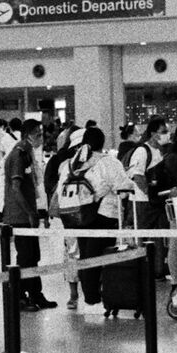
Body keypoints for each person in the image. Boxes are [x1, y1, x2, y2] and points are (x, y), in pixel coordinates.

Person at [54, 125, 134, 314]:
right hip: (104, 215)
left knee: (85, 255)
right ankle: (95, 297)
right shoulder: (109, 162)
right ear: (102, 142)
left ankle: (90, 295)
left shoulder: (71, 163)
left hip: (77, 215)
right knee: (100, 257)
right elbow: (123, 188)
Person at [1, 117, 55, 310]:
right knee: (25, 257)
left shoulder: (29, 153)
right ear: (28, 135)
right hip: (19, 215)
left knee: (33, 256)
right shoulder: (19, 154)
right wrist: (29, 213)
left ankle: (35, 294)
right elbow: (16, 188)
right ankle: (20, 297)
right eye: (38, 135)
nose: (41, 138)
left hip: (28, 213)